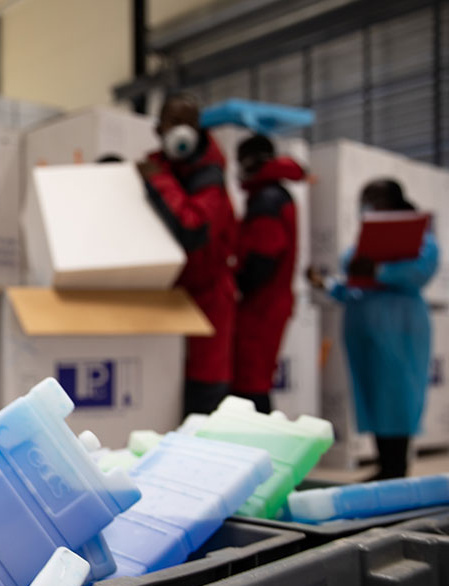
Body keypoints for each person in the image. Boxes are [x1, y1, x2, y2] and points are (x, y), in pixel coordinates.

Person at [308, 179, 439, 480]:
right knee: (374, 397)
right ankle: (385, 466)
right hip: (364, 325)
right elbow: (353, 284)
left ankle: (396, 468)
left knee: (398, 398)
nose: (367, 206)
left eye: (374, 199)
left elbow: (421, 271)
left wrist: (380, 271)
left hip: (400, 328)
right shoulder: (362, 242)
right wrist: (326, 285)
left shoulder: (421, 239)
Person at [139, 93, 239, 416]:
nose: (181, 130)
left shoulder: (209, 176)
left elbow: (193, 228)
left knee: (203, 397)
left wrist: (159, 180)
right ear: (159, 129)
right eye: (173, 122)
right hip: (170, 298)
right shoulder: (166, 168)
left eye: (188, 122)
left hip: (207, 301)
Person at [231, 134, 307, 413]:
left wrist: (235, 283)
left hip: (261, 306)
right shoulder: (275, 194)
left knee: (251, 384)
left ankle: (261, 450)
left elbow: (262, 257)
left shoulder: (266, 199)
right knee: (255, 381)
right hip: (270, 302)